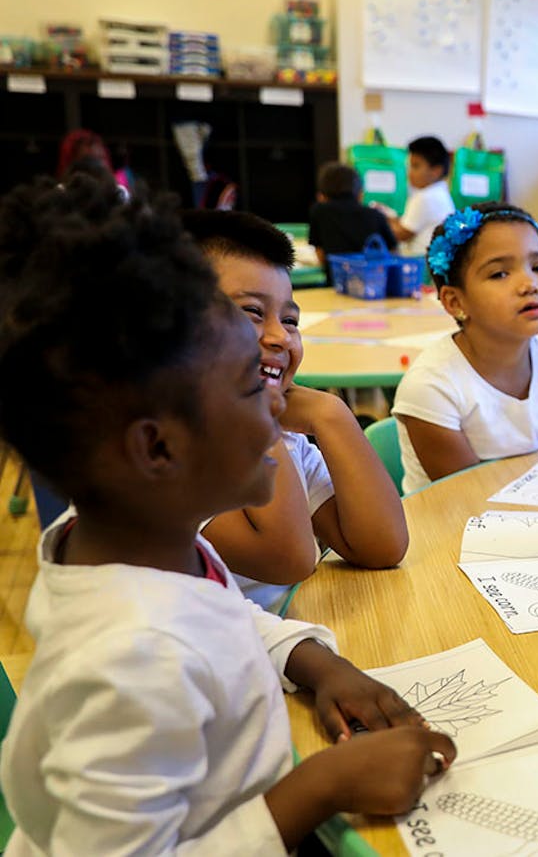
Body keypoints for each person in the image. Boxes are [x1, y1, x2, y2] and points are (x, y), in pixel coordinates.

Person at [0, 178, 455, 853]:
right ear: (158, 446)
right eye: (250, 387)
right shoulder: (130, 664)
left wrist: (313, 663)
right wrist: (317, 790)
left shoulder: (133, 542)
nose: (279, 408)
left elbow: (221, 613)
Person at [182, 210, 409, 609]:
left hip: (288, 644)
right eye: (252, 312)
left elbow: (382, 546)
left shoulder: (287, 442)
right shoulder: (169, 455)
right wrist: (259, 411)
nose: (279, 337)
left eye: (289, 320)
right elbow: (291, 559)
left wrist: (330, 413)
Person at [393, 206, 538, 494]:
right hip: (450, 528)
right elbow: (468, 497)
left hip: (537, 518)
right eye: (500, 274)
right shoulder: (431, 386)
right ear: (455, 302)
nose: (529, 284)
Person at [307, 161, 396, 283]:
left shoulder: (319, 211)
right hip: (373, 283)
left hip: (335, 282)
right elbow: (392, 251)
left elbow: (320, 254)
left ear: (322, 195)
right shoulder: (376, 215)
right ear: (360, 194)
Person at [385, 136, 455, 258]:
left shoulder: (426, 197)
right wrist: (389, 217)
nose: (409, 173)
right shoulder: (440, 192)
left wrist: (378, 219)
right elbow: (407, 223)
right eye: (410, 166)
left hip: (421, 265)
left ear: (436, 171)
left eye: (415, 166)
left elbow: (401, 234)